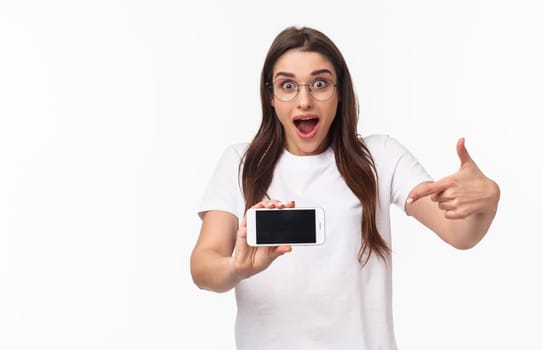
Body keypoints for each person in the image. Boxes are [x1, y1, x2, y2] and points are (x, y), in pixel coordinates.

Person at [189, 26, 500, 349]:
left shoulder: (380, 158)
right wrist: (236, 267)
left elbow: (460, 233)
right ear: (270, 96)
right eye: (288, 86)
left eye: (320, 83)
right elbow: (202, 267)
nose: (305, 101)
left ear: (340, 92)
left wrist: (488, 199)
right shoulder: (241, 163)